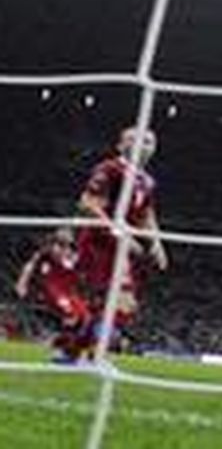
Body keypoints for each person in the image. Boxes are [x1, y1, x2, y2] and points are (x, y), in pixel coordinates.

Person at [75, 126, 167, 343]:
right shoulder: (110, 169)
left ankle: (77, 350)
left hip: (122, 249)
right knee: (112, 301)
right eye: (134, 140)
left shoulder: (147, 181)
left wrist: (157, 243)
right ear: (120, 145)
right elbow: (88, 203)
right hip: (100, 244)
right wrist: (120, 233)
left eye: (148, 142)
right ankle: (81, 351)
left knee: (123, 304)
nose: (142, 145)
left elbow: (146, 214)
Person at [14, 228, 93, 362]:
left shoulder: (73, 258)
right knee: (71, 317)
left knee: (87, 319)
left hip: (70, 293)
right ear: (52, 244)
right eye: (60, 244)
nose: (63, 249)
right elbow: (29, 267)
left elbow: (81, 273)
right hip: (54, 292)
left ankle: (78, 353)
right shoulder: (44, 256)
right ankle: (62, 352)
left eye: (67, 245)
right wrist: (21, 283)